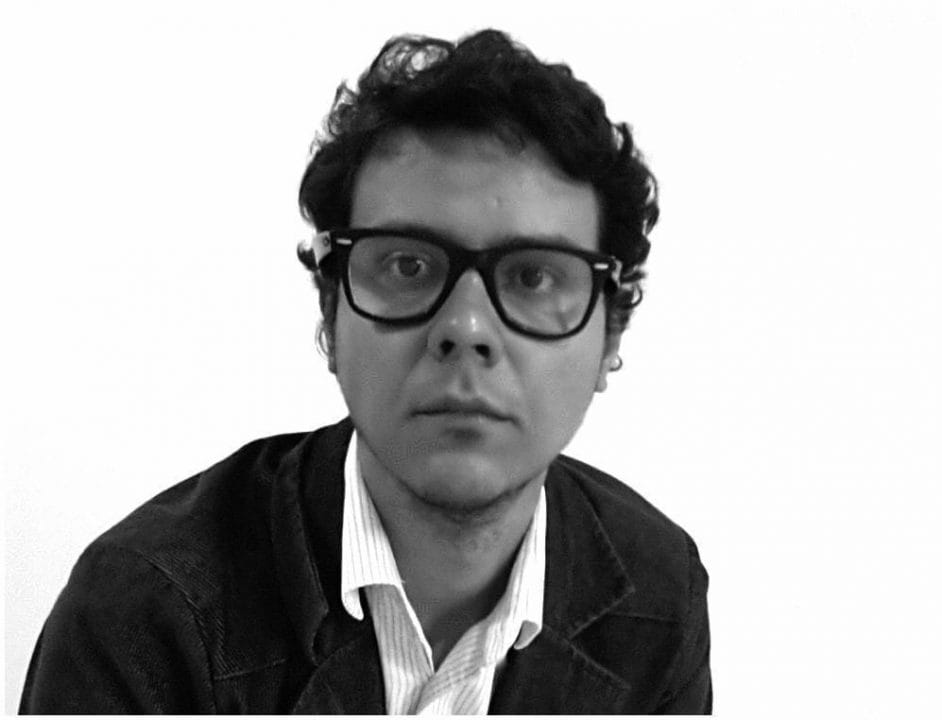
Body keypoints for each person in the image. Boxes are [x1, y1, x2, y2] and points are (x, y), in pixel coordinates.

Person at [20, 29, 711, 714]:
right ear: (331, 315)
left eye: (534, 277)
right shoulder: (145, 614)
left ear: (610, 333)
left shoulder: (657, 597)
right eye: (408, 266)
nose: (466, 328)